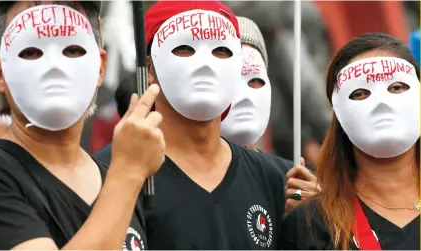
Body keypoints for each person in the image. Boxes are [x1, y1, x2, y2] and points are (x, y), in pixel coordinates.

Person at [94, 1, 288, 249]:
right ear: (150, 68)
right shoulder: (107, 174)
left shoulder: (275, 180)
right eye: (185, 48)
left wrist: (308, 220)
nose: (206, 64)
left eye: (221, 51)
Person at [0, 1, 165, 250]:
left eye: (73, 49)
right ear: (0, 73)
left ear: (100, 67)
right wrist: (128, 174)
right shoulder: (125, 175)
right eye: (31, 50)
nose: (54, 66)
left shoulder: (113, 176)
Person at [279, 32, 420, 250]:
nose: (382, 103)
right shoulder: (312, 226)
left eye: (396, 87)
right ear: (338, 112)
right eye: (360, 93)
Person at [220, 16, 320, 212]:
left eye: (256, 80)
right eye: (232, 78)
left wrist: (312, 217)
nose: (246, 95)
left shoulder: (283, 178)